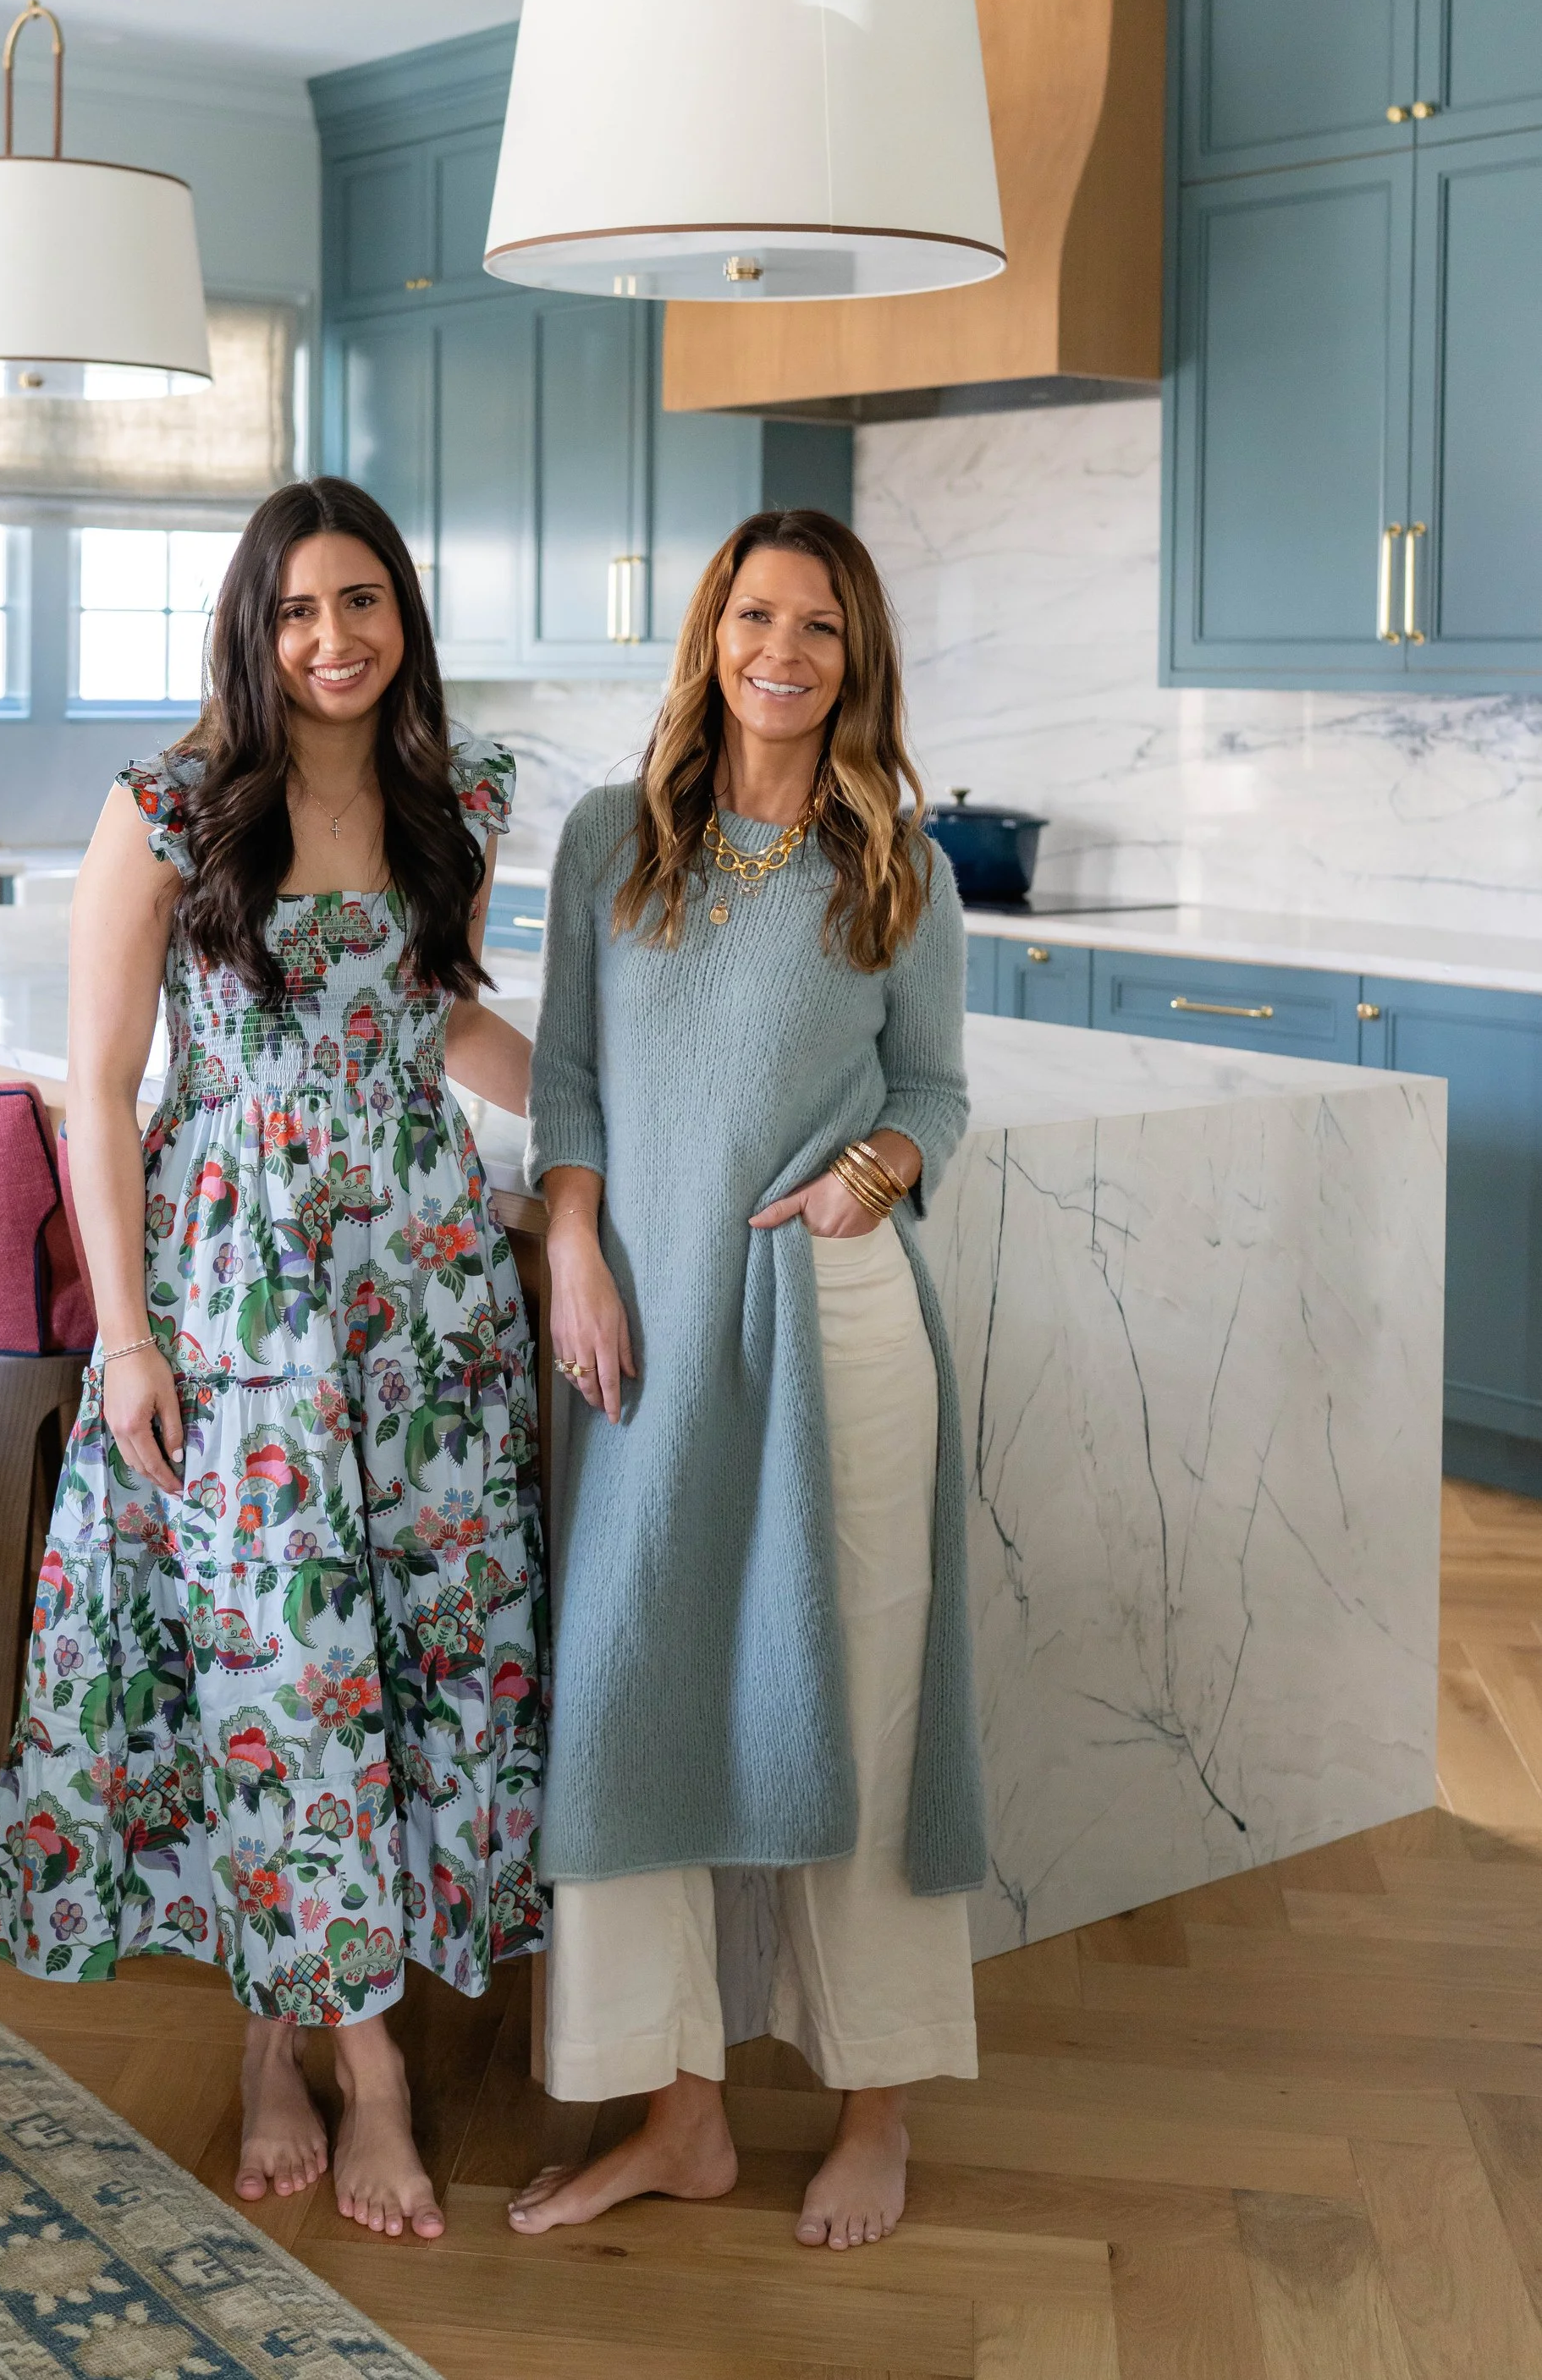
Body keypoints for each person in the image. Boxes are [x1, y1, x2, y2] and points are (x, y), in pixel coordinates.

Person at [0, 476, 545, 2244]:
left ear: (403, 614)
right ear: (250, 623)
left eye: (362, 601)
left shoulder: (459, 801)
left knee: (402, 1657)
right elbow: (101, 1081)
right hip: (241, 1295)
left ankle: (290, 2044)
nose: (331, 639)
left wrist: (606, 1125)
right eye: (297, 610)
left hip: (426, 1293)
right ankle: (333, 2070)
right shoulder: (164, 810)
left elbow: (427, 1008)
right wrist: (121, 1335)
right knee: (278, 1667)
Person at [507, 506, 983, 2254]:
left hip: (835, 1329)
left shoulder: (899, 869)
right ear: (710, 631)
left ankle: (876, 2105)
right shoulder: (603, 843)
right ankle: (677, 2115)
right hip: (637, 1335)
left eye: (820, 629)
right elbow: (564, 1076)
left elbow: (930, 1097)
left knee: (854, 1709)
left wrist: (871, 1178)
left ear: (855, 662)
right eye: (754, 616)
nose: (781, 651)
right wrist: (570, 1245)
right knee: (629, 1697)